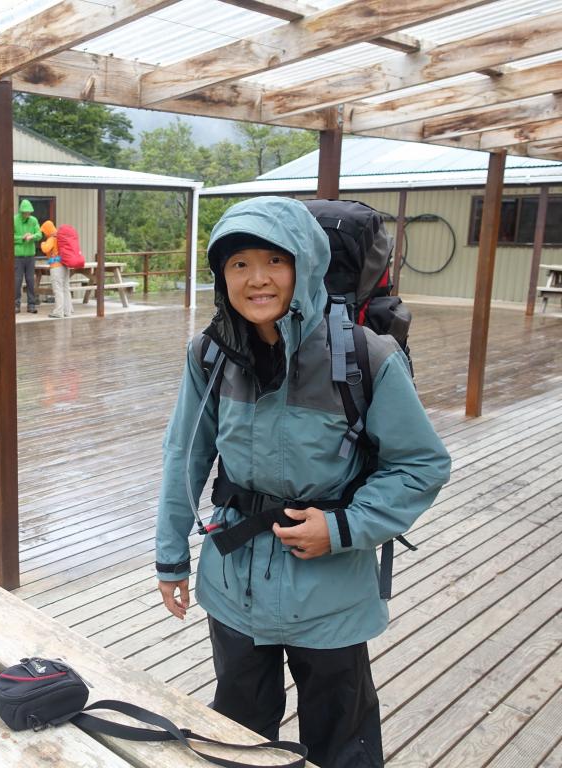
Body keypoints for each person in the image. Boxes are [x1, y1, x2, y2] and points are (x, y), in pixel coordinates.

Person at [155, 197, 451, 768]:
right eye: (238, 263)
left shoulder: (365, 356)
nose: (256, 278)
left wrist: (342, 527)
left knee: (342, 738)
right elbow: (183, 456)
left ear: (305, 265)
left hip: (329, 592)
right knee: (237, 730)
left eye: (274, 260)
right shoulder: (212, 352)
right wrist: (171, 559)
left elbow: (421, 464)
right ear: (221, 275)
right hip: (232, 580)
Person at [13, 199, 43, 314]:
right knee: (17, 281)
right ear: (21, 211)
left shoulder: (33, 220)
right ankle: (16, 305)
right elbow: (9, 236)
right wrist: (22, 238)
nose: (28, 214)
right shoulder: (14, 220)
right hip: (18, 257)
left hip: (30, 256)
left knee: (31, 280)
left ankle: (31, 305)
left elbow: (39, 234)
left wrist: (32, 236)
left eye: (29, 212)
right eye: (26, 212)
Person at [39, 220, 73, 319]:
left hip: (56, 267)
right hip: (65, 265)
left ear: (47, 230)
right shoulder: (61, 237)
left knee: (58, 289)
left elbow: (45, 249)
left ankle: (58, 312)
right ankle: (67, 311)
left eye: (44, 231)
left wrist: (42, 243)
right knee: (66, 288)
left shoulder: (51, 239)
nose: (44, 233)